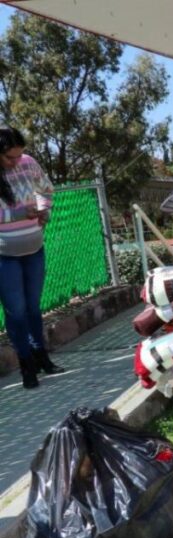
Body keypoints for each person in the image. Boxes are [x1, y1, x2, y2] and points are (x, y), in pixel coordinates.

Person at [0, 127, 63, 389]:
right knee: (16, 311)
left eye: (19, 155)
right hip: (5, 255)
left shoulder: (28, 163)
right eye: (10, 158)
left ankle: (42, 357)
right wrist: (17, 214)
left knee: (34, 307)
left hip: (34, 248)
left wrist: (43, 211)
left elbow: (46, 189)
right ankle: (26, 365)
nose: (16, 162)